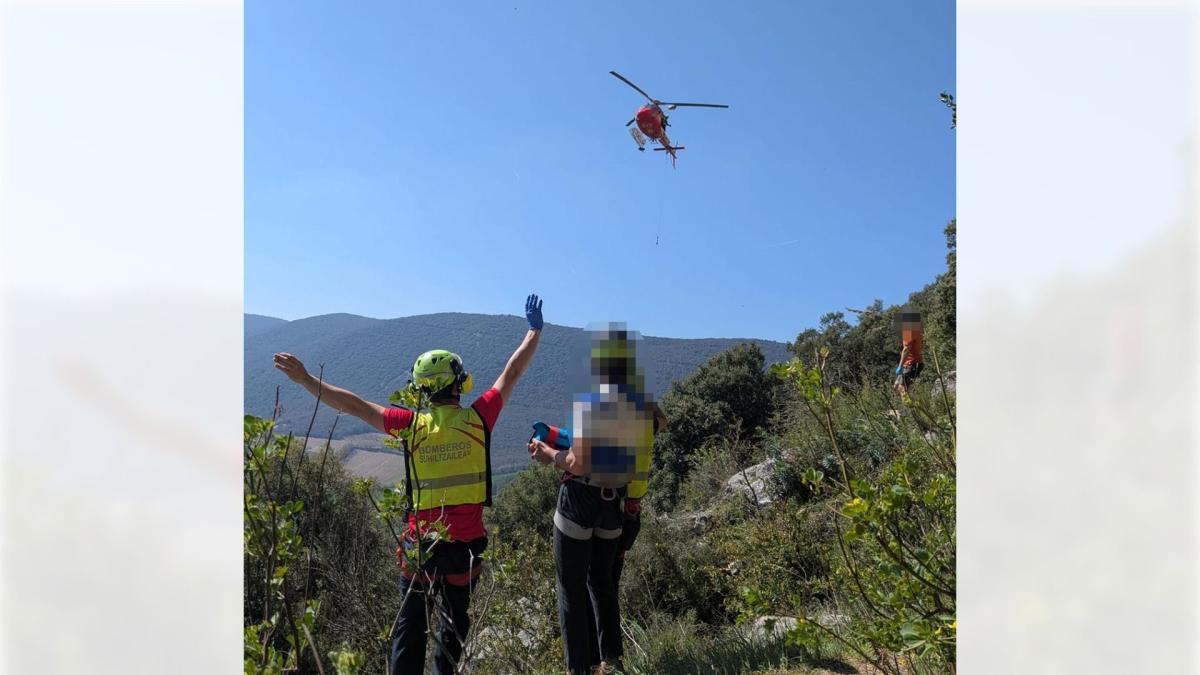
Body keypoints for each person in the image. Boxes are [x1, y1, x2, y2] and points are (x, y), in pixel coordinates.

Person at [273, 294, 545, 675]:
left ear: (420, 390)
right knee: (452, 634)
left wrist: (305, 380)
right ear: (458, 383)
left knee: (408, 632)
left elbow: (353, 405)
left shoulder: (411, 425)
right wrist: (534, 331)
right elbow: (511, 373)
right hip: (463, 553)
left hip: (420, 550)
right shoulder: (479, 419)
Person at [528, 325, 655, 675]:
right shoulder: (641, 408)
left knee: (570, 588)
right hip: (614, 506)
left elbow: (578, 461)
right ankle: (611, 663)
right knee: (602, 586)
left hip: (579, 500)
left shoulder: (592, 401)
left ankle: (578, 670)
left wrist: (548, 453)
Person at [894, 311, 924, 395]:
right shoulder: (917, 331)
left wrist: (900, 366)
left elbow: (906, 349)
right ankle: (909, 404)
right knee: (896, 386)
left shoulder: (909, 332)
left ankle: (910, 406)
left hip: (912, 364)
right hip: (913, 363)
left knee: (901, 387)